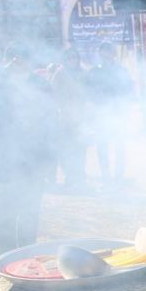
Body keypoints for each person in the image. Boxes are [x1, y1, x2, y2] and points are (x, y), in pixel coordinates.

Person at [0, 43, 57, 254]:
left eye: (24, 60)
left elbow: (51, 124)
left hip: (33, 160)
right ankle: (6, 261)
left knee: (30, 213)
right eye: (15, 60)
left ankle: (27, 257)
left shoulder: (41, 85)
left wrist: (49, 162)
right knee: (4, 215)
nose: (20, 65)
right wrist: (1, 73)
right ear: (8, 60)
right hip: (0, 161)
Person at [86, 43, 132, 188]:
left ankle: (118, 177)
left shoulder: (121, 71)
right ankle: (106, 176)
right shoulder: (93, 72)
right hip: (101, 114)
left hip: (118, 113)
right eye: (103, 52)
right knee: (102, 147)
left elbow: (128, 92)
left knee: (120, 147)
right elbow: (88, 93)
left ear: (113, 54)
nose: (106, 55)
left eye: (108, 52)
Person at [51, 47, 88, 192]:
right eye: (69, 57)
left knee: (81, 150)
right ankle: (70, 177)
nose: (72, 60)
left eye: (75, 57)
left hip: (81, 117)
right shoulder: (59, 74)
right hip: (65, 118)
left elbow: (89, 93)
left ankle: (79, 178)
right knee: (66, 150)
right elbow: (54, 95)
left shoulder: (84, 73)